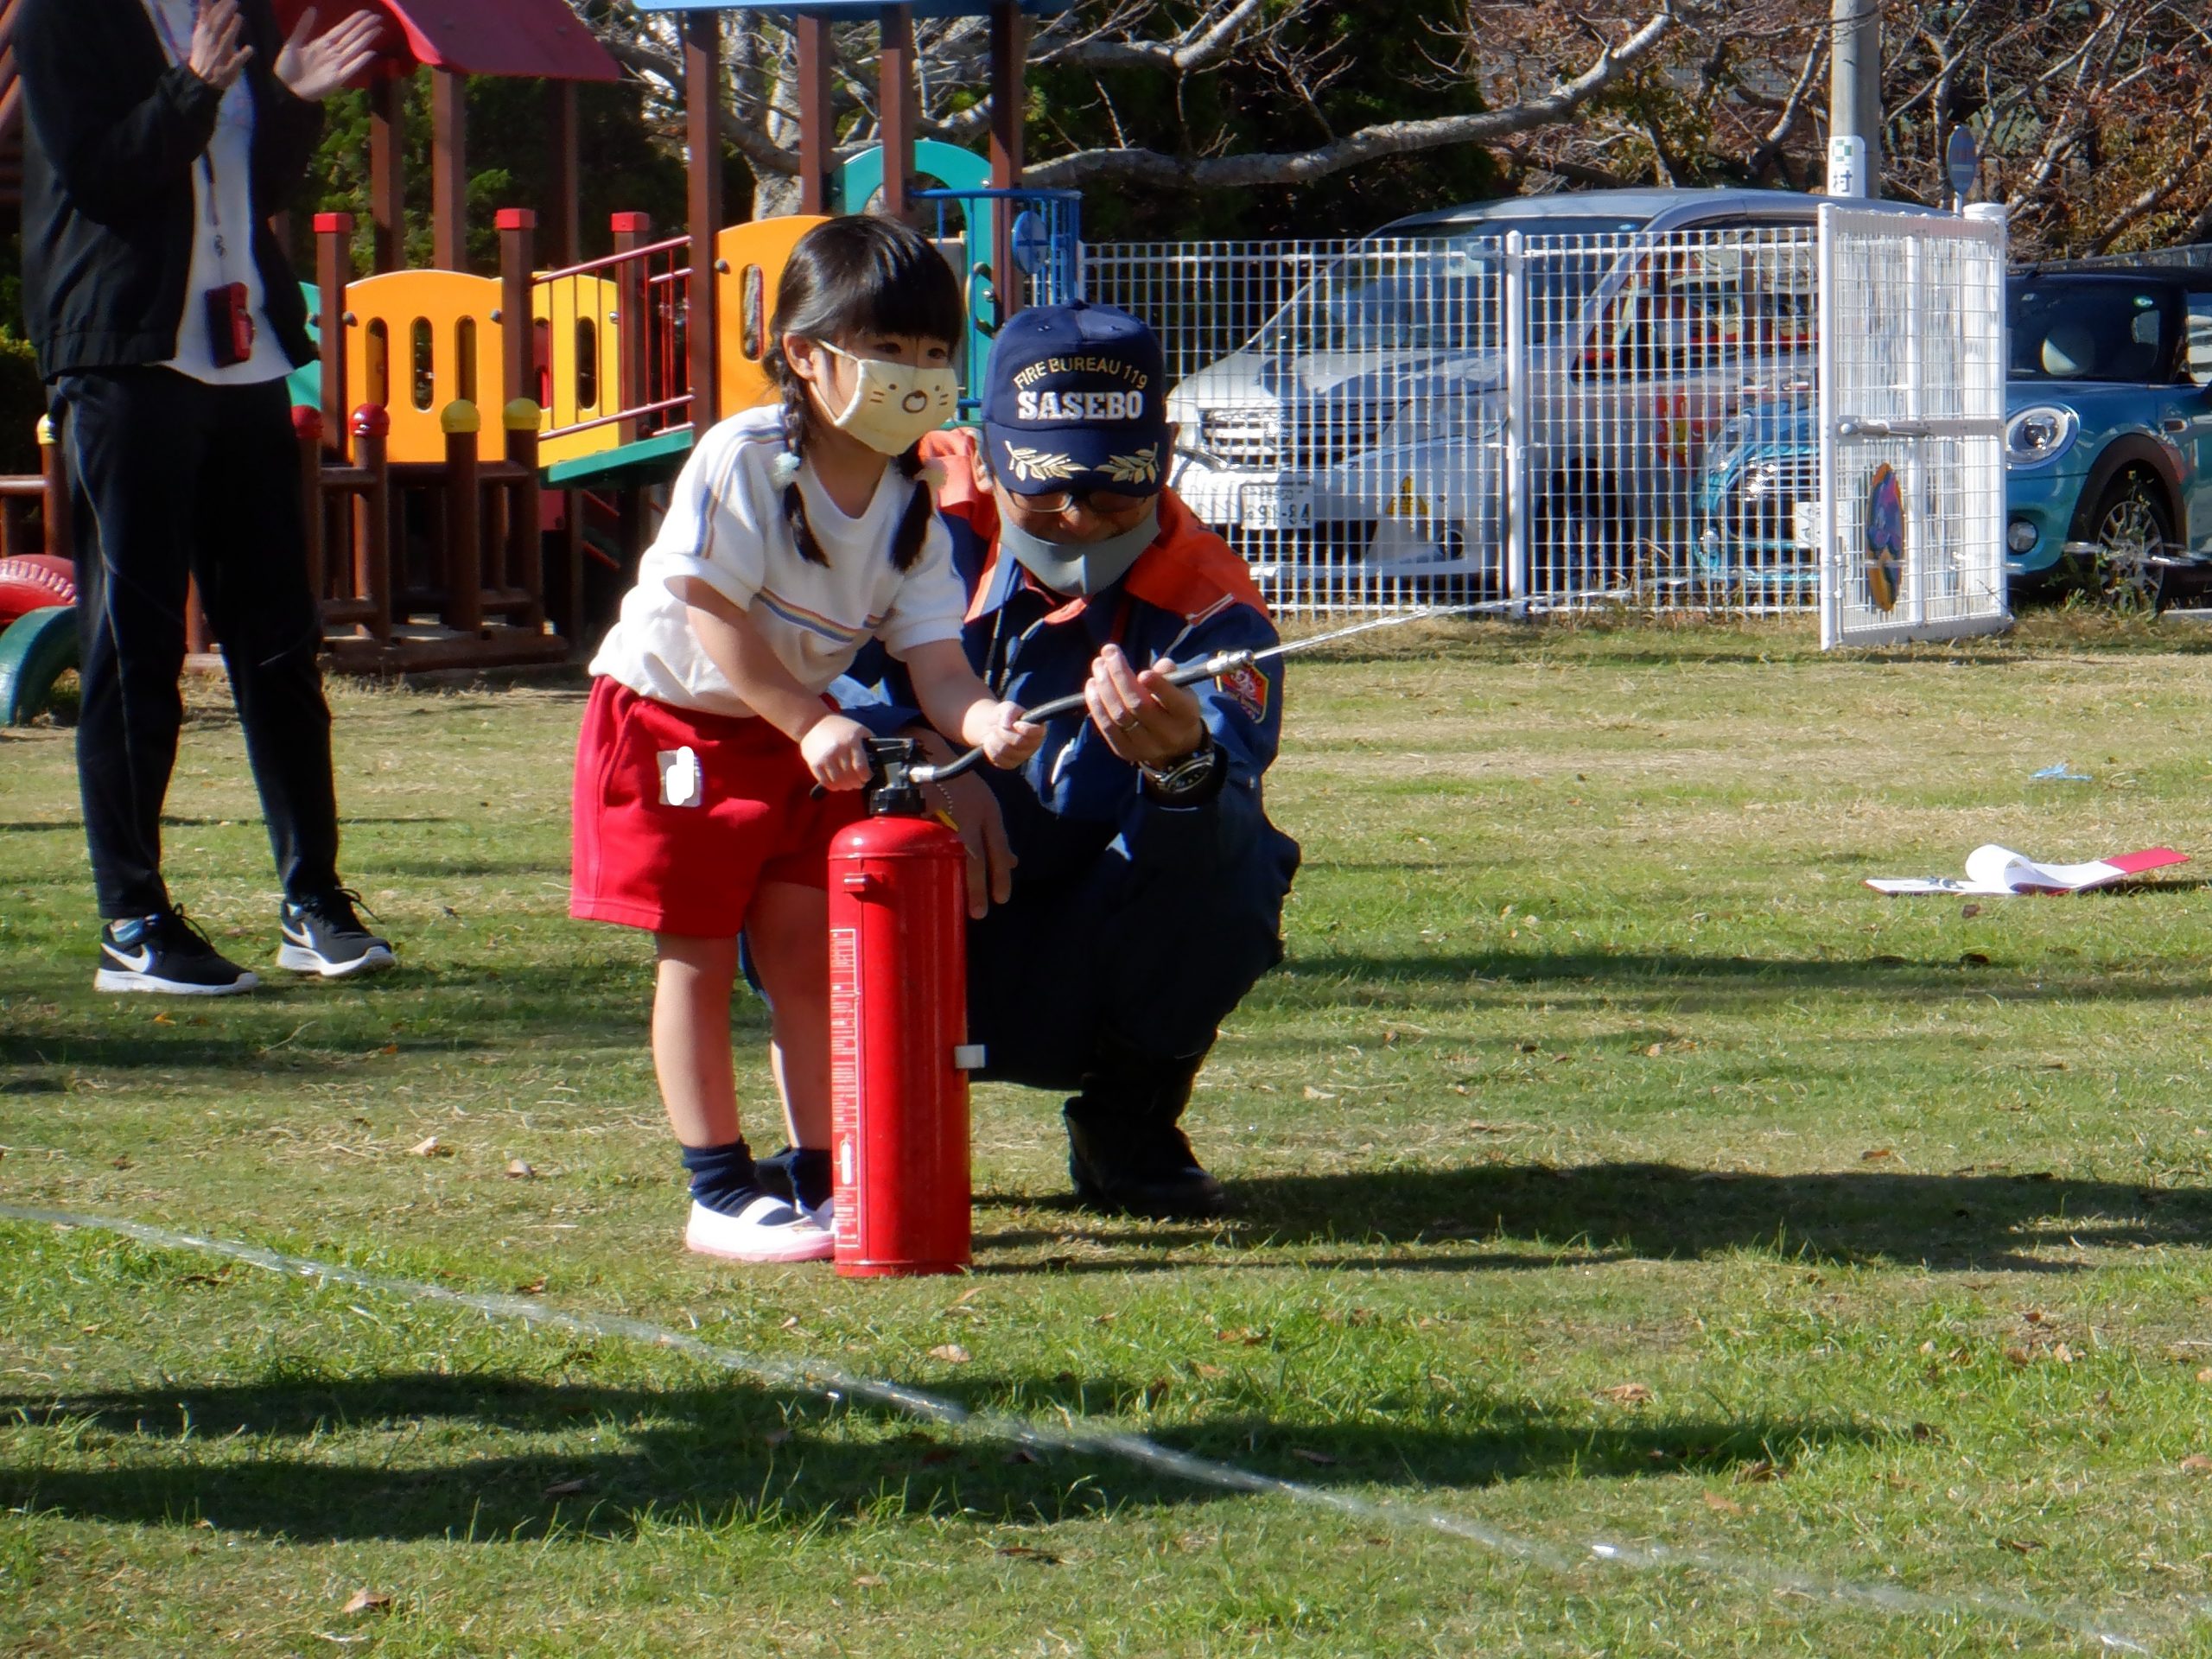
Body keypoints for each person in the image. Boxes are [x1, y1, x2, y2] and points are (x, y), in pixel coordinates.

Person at [570, 216, 1042, 1265]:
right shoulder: (744, 457)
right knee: (692, 954)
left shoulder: (916, 500)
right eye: (885, 354)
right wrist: (811, 719)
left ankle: (826, 1175)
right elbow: (710, 617)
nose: (914, 378)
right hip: (671, 727)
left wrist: (983, 724)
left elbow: (938, 664)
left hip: (797, 741)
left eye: (931, 357)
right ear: (803, 353)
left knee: (805, 957)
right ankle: (718, 1189)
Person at [819, 301, 1301, 1221]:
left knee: (1238, 852)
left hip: (1091, 942)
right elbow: (781, 680)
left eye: (1113, 494)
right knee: (797, 810)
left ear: (1162, 451)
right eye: (1044, 491)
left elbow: (1219, 807)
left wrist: (1180, 768)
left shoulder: (1212, 608)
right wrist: (918, 764)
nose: (1077, 520)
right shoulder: (889, 520)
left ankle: (1130, 1119)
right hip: (904, 908)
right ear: (986, 450)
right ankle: (831, 1132)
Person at [20, 0, 391, 995]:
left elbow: (249, 179)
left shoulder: (240, 11)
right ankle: (132, 921)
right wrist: (192, 87)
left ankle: (313, 902)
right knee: (132, 645)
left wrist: (292, 100)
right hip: (124, 353)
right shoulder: (64, 16)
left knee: (278, 641)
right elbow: (99, 176)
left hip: (245, 355)